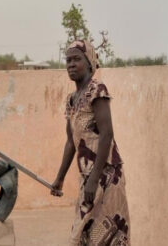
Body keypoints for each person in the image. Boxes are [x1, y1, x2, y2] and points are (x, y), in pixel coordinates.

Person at [51, 40, 130, 245]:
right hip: (88, 177)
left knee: (105, 234)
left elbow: (107, 134)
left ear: (89, 62)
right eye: (68, 60)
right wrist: (59, 179)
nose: (71, 64)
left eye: (77, 59)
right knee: (84, 233)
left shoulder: (97, 90)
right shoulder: (71, 100)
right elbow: (71, 142)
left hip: (107, 175)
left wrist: (94, 180)